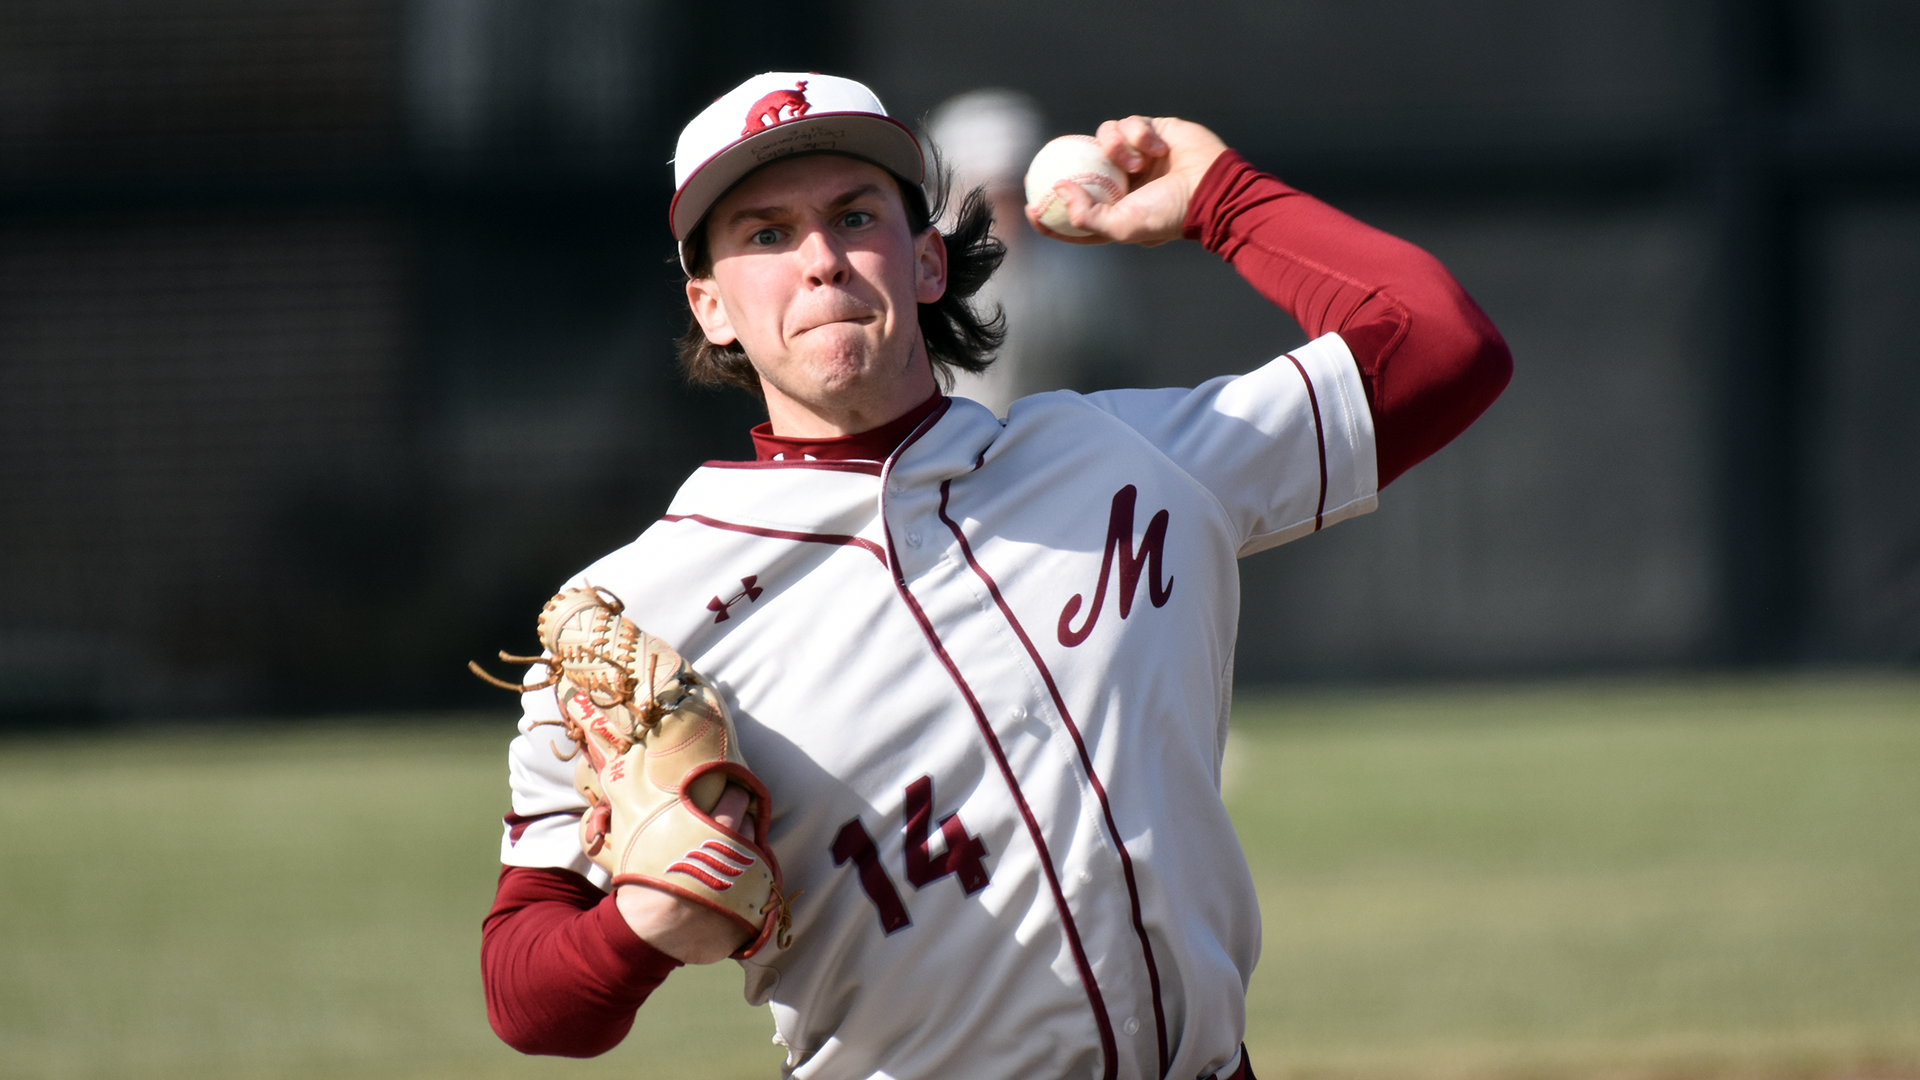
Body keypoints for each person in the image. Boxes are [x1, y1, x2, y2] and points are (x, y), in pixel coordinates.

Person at [480, 72, 1510, 1080]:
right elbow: (524, 995)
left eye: (854, 215)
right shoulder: (638, 614)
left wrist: (1223, 201)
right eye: (765, 235)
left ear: (927, 262)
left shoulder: (1131, 461)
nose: (822, 261)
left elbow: (1442, 346)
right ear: (710, 306)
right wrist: (636, 930)